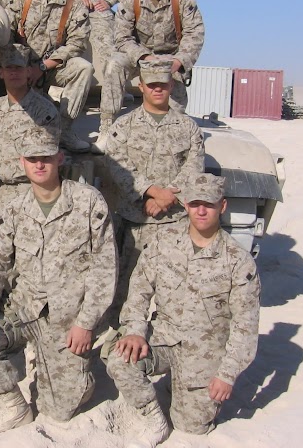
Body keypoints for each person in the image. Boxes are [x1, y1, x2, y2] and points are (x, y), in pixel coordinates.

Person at [0, 128, 117, 438]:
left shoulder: (88, 202)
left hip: (68, 318)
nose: (39, 164)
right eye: (32, 159)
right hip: (25, 308)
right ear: (22, 162)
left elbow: (104, 269)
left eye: (46, 158)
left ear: (59, 158)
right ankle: (14, 407)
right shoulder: (14, 207)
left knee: (61, 409)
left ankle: (68, 370)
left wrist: (86, 324)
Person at [107, 173, 260, 447]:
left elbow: (245, 328)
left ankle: (181, 388)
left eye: (209, 204)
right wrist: (134, 331)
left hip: (204, 351)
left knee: (192, 427)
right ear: (186, 204)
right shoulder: (164, 242)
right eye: (195, 203)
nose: (201, 211)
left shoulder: (238, 261)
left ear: (222, 206)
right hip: (164, 336)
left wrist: (226, 375)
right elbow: (139, 290)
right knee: (120, 358)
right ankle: (154, 419)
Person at [105, 57, 204, 318]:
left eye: (163, 84)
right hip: (135, 222)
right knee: (123, 289)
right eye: (151, 85)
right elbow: (117, 165)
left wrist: (166, 196)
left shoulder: (188, 128)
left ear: (172, 85)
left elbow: (194, 168)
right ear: (141, 86)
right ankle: (120, 338)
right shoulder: (123, 127)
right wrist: (151, 191)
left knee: (173, 291)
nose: (157, 89)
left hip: (175, 223)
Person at [101, 0, 205, 145]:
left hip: (170, 60)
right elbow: (122, 37)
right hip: (139, 58)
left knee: (175, 121)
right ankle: (107, 127)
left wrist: (178, 61)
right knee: (115, 63)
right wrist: (143, 58)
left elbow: (195, 32)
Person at [7, 0, 93, 153]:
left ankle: (64, 129)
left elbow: (76, 44)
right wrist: (21, 66)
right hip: (24, 68)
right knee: (24, 133)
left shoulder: (75, 5)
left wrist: (43, 67)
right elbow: (5, 31)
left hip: (52, 67)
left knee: (84, 67)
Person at [0, 44, 59, 220]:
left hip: (31, 203)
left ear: (29, 72)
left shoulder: (44, 111)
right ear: (1, 73)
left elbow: (44, 158)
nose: (14, 73)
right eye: (9, 68)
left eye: (19, 68)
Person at [66, 0, 130, 153]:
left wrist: (109, 1)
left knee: (109, 56)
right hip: (70, 7)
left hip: (97, 9)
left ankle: (108, 108)